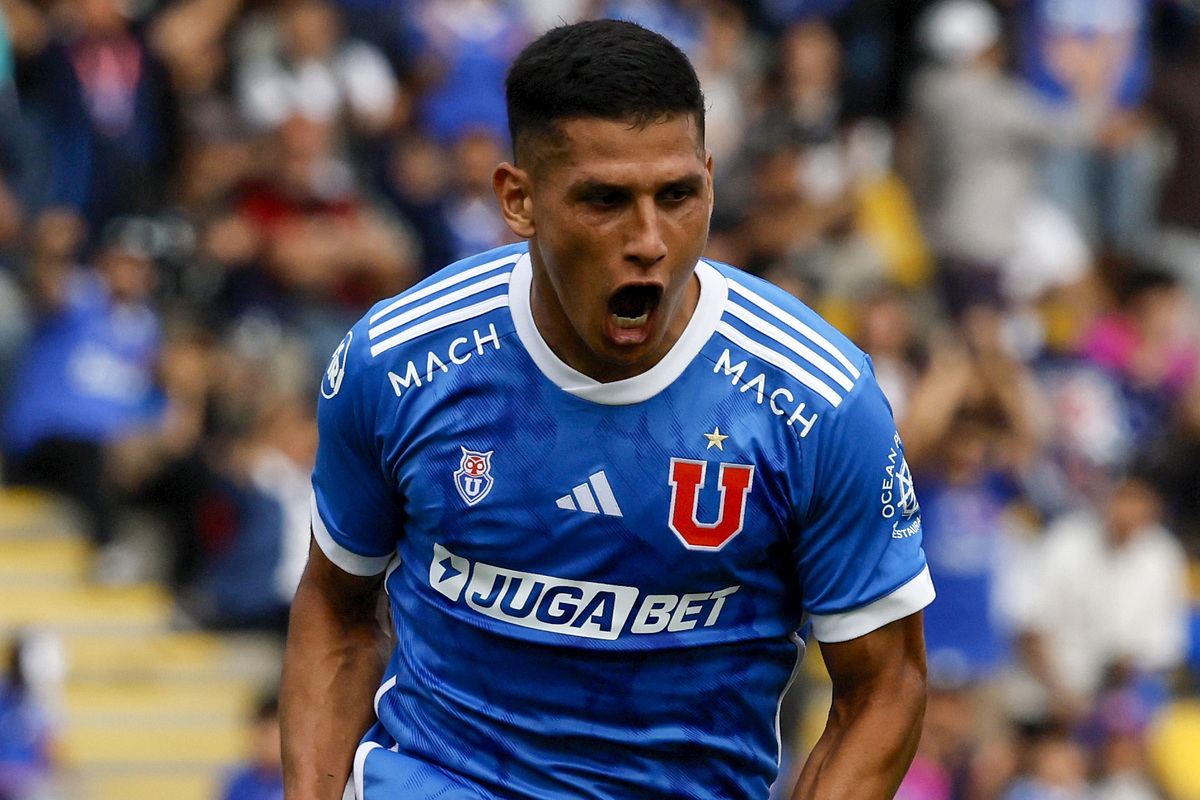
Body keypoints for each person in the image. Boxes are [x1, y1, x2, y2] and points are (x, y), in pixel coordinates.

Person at [281, 19, 933, 800]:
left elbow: (884, 687)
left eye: (678, 195)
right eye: (606, 200)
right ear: (518, 200)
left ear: (710, 181)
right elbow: (336, 608)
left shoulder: (817, 400)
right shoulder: (399, 362)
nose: (650, 240)